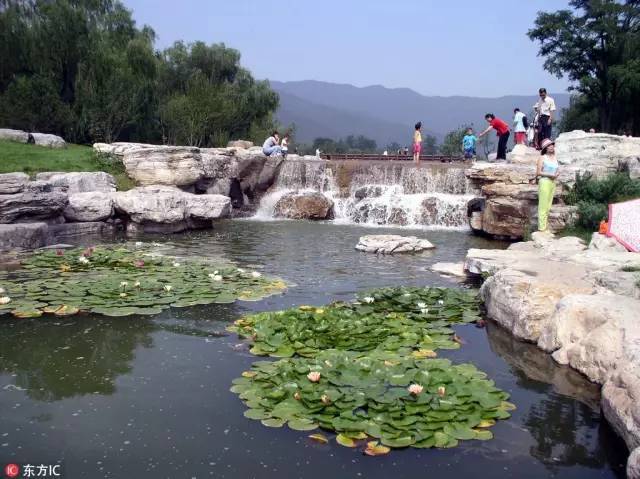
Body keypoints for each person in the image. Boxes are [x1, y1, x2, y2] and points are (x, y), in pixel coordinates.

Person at [531, 138, 559, 232]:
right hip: (544, 181)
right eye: (549, 146)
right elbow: (538, 172)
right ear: (545, 148)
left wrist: (557, 174)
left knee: (548, 205)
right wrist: (551, 175)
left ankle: (545, 226)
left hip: (552, 182)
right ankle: (541, 228)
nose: (551, 147)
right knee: (543, 205)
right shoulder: (542, 158)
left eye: (552, 145)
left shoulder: (555, 158)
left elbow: (556, 169)